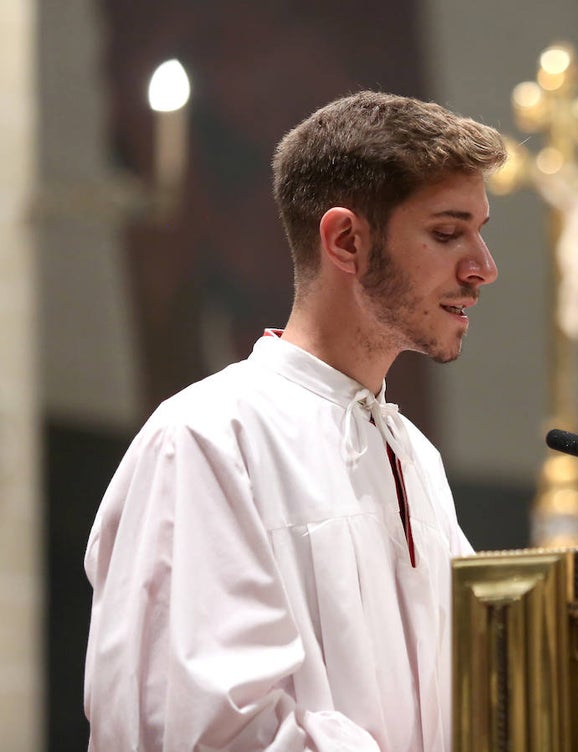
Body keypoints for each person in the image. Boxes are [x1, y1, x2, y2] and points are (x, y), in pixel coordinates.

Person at [83, 91, 507, 751]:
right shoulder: (208, 438)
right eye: (448, 233)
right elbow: (202, 730)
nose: (483, 267)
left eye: (480, 232)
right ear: (346, 241)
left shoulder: (415, 456)